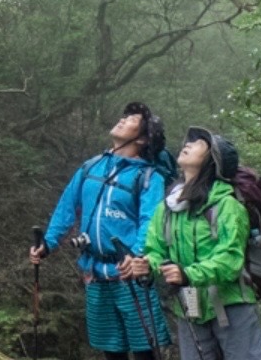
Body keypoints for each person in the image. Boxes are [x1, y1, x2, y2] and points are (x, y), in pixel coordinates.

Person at [31, 102, 175, 360]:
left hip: (131, 275)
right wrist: (48, 244)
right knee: (112, 351)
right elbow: (67, 207)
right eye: (125, 115)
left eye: (132, 119)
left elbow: (151, 223)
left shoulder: (149, 177)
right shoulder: (91, 167)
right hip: (95, 272)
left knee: (145, 351)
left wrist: (138, 256)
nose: (123, 119)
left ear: (142, 139)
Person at [123, 127, 261, 360]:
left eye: (199, 143)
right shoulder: (168, 207)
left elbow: (230, 259)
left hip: (232, 304)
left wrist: (188, 274)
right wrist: (145, 264)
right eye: (189, 141)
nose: (189, 144)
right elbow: (155, 250)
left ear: (213, 160)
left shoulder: (227, 205)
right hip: (189, 307)